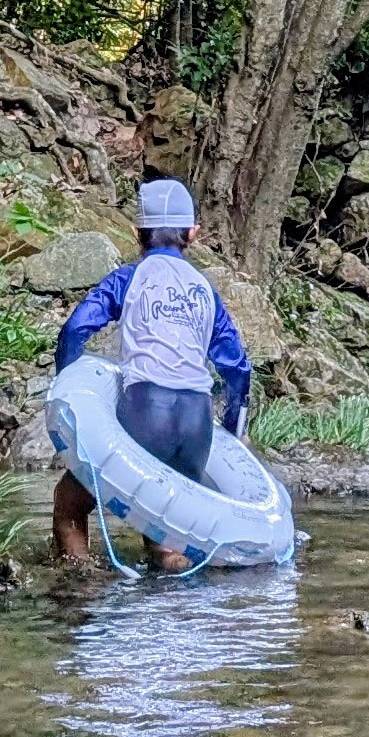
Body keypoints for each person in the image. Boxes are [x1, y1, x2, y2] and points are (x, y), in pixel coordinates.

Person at [50, 178, 255, 563]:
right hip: (196, 423)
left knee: (69, 504)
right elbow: (238, 369)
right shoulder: (205, 291)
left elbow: (76, 328)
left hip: (147, 412)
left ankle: (79, 589)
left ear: (135, 233)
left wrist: (66, 387)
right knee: (164, 532)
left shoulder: (128, 279)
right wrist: (234, 430)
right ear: (192, 233)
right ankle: (178, 596)